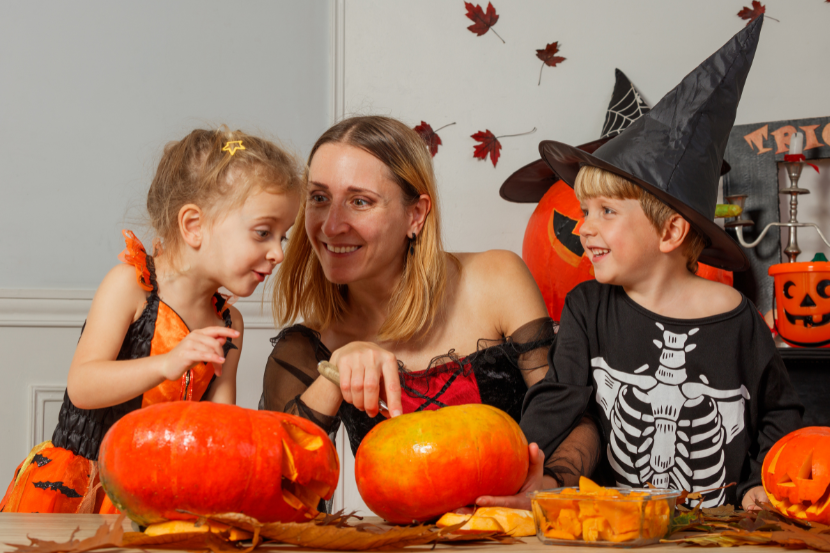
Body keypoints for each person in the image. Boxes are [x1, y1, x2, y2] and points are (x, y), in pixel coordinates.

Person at [525, 15, 803, 510]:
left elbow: (780, 413)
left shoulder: (738, 317)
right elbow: (558, 397)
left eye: (606, 212)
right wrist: (516, 462)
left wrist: (760, 485)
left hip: (719, 530)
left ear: (671, 232)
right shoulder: (588, 307)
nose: (584, 227)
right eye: (584, 211)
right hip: (617, 528)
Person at [261, 116, 600, 507]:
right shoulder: (305, 349)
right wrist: (335, 374)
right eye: (319, 198)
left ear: (416, 215)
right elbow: (276, 494)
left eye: (360, 201)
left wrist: (549, 484)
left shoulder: (497, 279)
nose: (332, 225)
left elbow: (576, 416)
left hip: (515, 534)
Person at [1, 128, 301, 514]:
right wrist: (166, 363)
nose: (278, 253)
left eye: (282, 237)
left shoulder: (230, 323)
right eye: (263, 233)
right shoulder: (130, 287)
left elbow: (220, 423)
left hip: (163, 495)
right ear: (193, 226)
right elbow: (83, 387)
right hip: (84, 491)